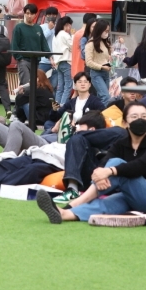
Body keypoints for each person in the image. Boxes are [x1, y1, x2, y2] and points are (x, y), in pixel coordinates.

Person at [36, 101, 146, 223]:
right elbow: (105, 162)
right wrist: (99, 174)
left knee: (117, 164)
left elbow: (140, 166)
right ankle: (65, 214)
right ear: (124, 123)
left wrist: (109, 171)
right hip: (131, 196)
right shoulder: (121, 144)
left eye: (144, 117)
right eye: (134, 117)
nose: (140, 120)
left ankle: (74, 203)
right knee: (105, 204)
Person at [0, 111, 107, 195]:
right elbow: (50, 123)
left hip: (52, 161)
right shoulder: (73, 135)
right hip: (39, 151)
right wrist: (52, 130)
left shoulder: (88, 146)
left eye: (80, 126)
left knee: (29, 171)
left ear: (92, 130)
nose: (76, 128)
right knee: (11, 164)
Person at [54, 72, 123, 202]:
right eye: (80, 81)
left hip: (104, 170)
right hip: (67, 148)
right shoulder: (71, 102)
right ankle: (72, 188)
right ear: (75, 85)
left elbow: (100, 119)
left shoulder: (95, 103)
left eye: (85, 81)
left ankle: (73, 189)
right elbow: (56, 116)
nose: (83, 84)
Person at [12, 3, 50, 88]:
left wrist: (49, 56)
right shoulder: (19, 27)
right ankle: (23, 101)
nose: (29, 16)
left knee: (34, 85)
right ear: (24, 13)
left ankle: (28, 100)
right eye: (27, 13)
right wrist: (19, 58)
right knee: (26, 85)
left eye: (32, 14)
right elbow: (14, 44)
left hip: (35, 61)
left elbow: (43, 43)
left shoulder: (38, 28)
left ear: (35, 14)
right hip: (23, 61)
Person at [84, 20, 113, 102]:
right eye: (106, 31)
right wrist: (102, 67)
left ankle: (98, 113)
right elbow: (88, 62)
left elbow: (105, 57)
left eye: (108, 31)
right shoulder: (90, 44)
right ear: (100, 30)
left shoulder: (105, 42)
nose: (107, 33)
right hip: (96, 73)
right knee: (105, 97)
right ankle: (103, 114)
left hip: (106, 73)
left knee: (102, 97)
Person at [52, 15, 74, 105]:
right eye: (70, 26)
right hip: (67, 62)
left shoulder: (55, 36)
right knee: (68, 87)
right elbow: (73, 47)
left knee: (60, 87)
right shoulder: (65, 35)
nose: (70, 28)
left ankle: (56, 106)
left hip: (58, 63)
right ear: (66, 25)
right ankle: (62, 106)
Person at [39, 6, 58, 91]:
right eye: (49, 14)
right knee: (39, 81)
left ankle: (52, 102)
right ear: (45, 16)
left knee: (54, 84)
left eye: (54, 14)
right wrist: (49, 29)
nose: (51, 16)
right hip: (43, 60)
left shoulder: (58, 27)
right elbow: (41, 41)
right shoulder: (41, 27)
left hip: (56, 60)